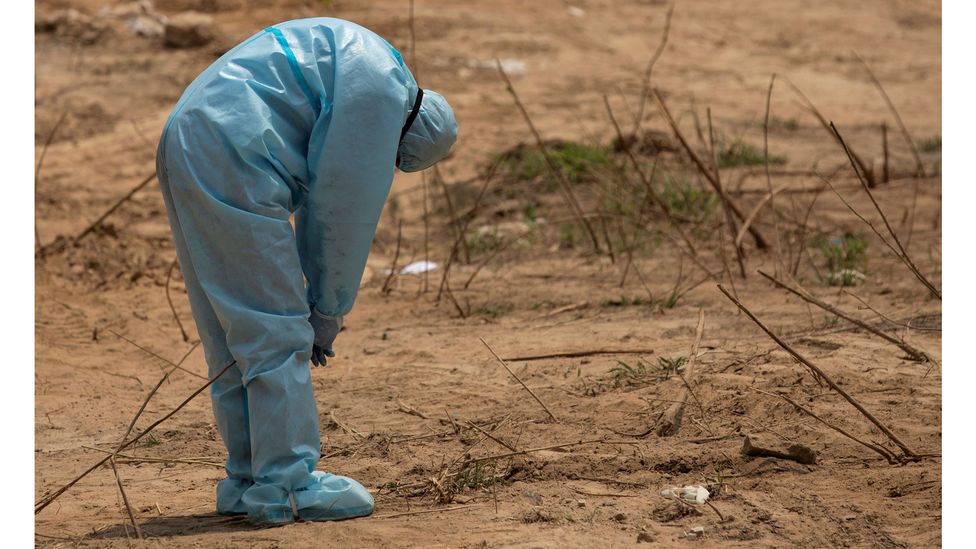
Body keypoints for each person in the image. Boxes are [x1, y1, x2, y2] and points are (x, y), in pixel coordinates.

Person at [155, 17, 457, 526]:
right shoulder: (381, 92)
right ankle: (288, 488)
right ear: (405, 138)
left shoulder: (370, 56)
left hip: (188, 133)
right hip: (236, 152)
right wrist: (327, 307)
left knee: (232, 333)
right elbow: (342, 209)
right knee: (276, 332)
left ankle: (247, 478)